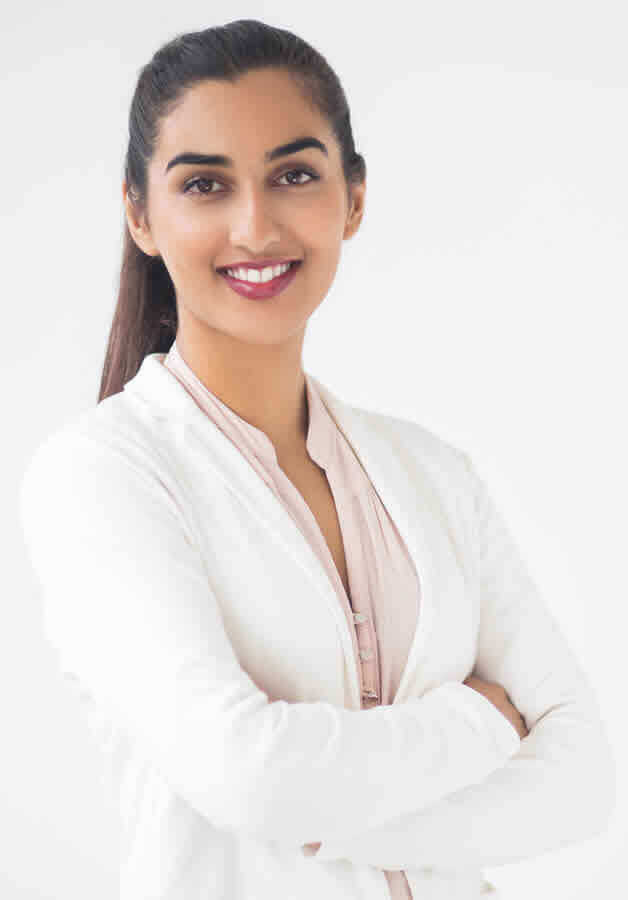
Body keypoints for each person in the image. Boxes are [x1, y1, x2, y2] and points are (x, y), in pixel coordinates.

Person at [18, 19, 615, 900]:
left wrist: (331, 824)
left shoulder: (435, 475)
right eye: (205, 185)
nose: (254, 226)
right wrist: (479, 722)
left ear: (354, 199)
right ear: (140, 215)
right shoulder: (101, 477)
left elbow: (585, 776)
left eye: (293, 175)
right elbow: (246, 777)